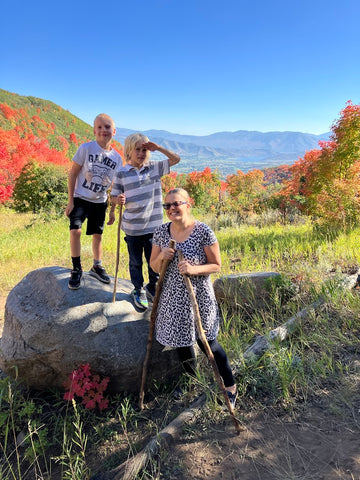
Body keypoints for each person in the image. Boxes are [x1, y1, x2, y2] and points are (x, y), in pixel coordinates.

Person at [149, 188, 237, 408]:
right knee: (181, 342)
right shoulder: (161, 232)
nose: (171, 209)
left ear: (188, 204)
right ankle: (190, 380)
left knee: (208, 342)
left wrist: (193, 269)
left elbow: (216, 265)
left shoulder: (203, 231)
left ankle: (230, 386)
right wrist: (162, 256)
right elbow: (153, 265)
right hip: (172, 297)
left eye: (175, 204)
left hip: (198, 298)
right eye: (167, 206)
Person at [110, 133, 180, 310]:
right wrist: (117, 201)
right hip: (133, 228)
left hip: (154, 228)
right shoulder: (121, 173)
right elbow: (113, 197)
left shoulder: (154, 168)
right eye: (137, 150)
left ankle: (152, 287)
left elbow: (176, 159)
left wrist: (159, 148)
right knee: (135, 262)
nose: (141, 153)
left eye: (144, 150)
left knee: (154, 260)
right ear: (129, 151)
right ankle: (137, 289)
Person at [65, 113, 122, 290]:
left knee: (97, 235)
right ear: (94, 130)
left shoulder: (117, 158)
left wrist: (112, 210)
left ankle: (97, 265)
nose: (103, 130)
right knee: (75, 231)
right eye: (99, 127)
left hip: (100, 201)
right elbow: (73, 173)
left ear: (114, 131)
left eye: (107, 127)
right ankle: (76, 269)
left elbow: (116, 186)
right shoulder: (86, 148)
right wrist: (70, 201)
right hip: (80, 198)